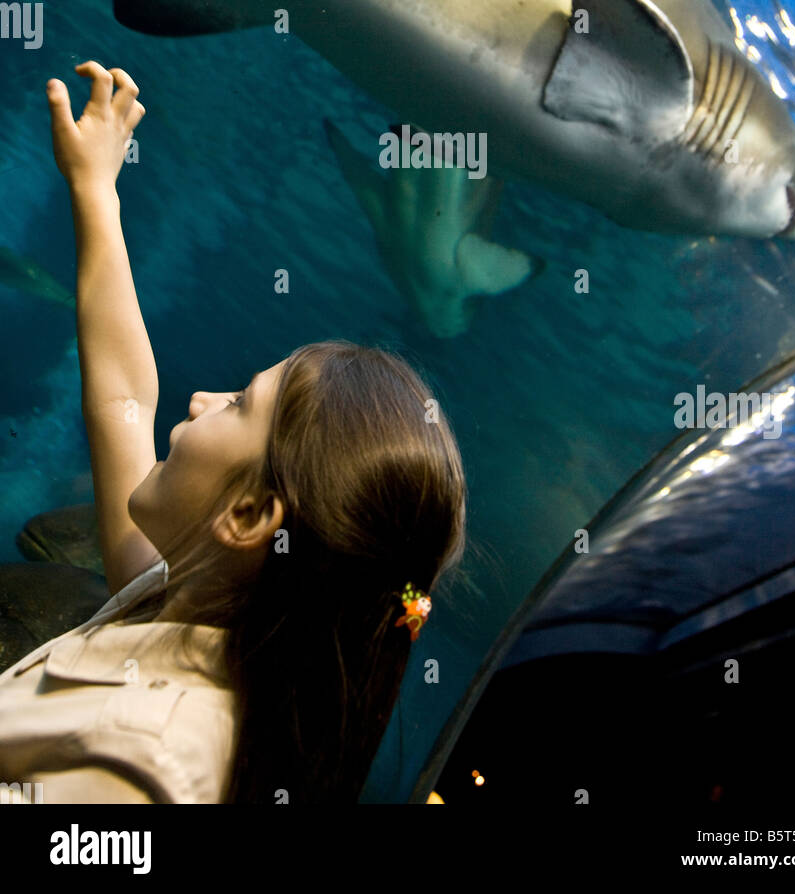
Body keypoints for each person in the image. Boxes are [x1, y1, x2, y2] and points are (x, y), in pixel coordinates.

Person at [0, 62, 466, 804]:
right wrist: (95, 189)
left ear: (247, 516)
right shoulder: (182, 602)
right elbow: (123, 401)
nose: (200, 399)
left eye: (239, 404)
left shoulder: (137, 763)